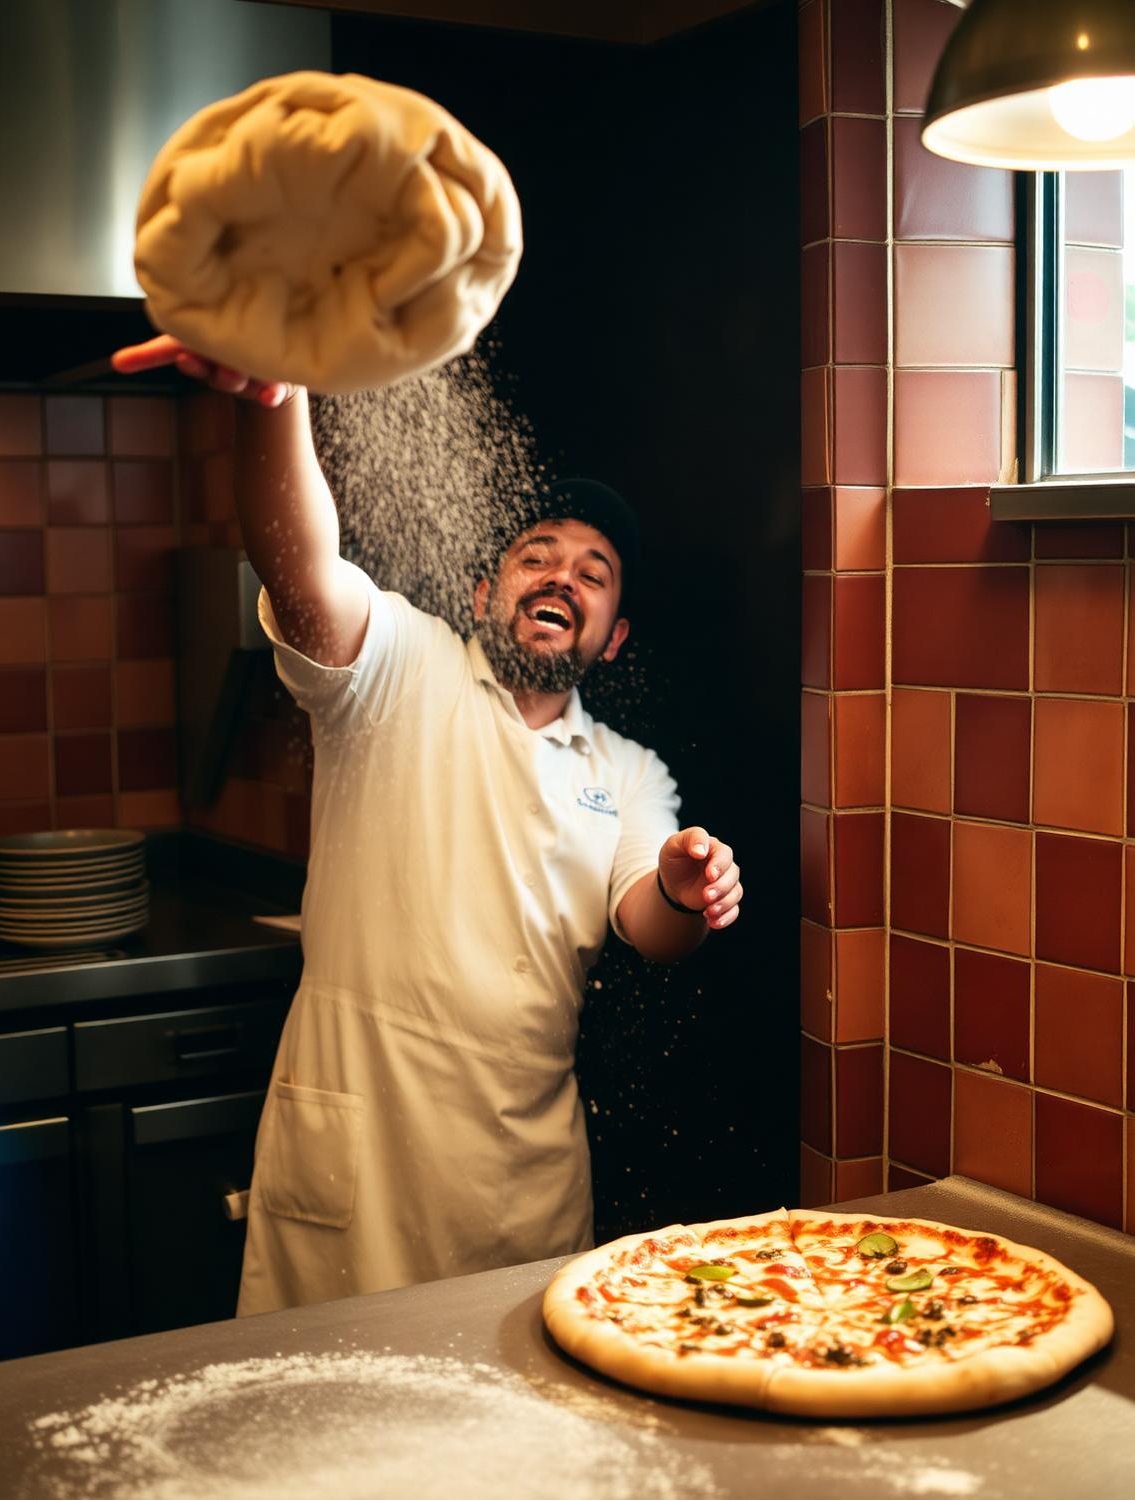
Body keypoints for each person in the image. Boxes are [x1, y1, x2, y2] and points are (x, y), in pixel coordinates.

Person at [113, 336, 744, 1315]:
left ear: (613, 637)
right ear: (486, 595)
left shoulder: (628, 771)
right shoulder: (398, 665)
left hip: (523, 1182)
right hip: (355, 1161)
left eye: (594, 572)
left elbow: (651, 926)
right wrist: (273, 395)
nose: (561, 577)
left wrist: (682, 885)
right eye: (537, 556)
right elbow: (301, 569)